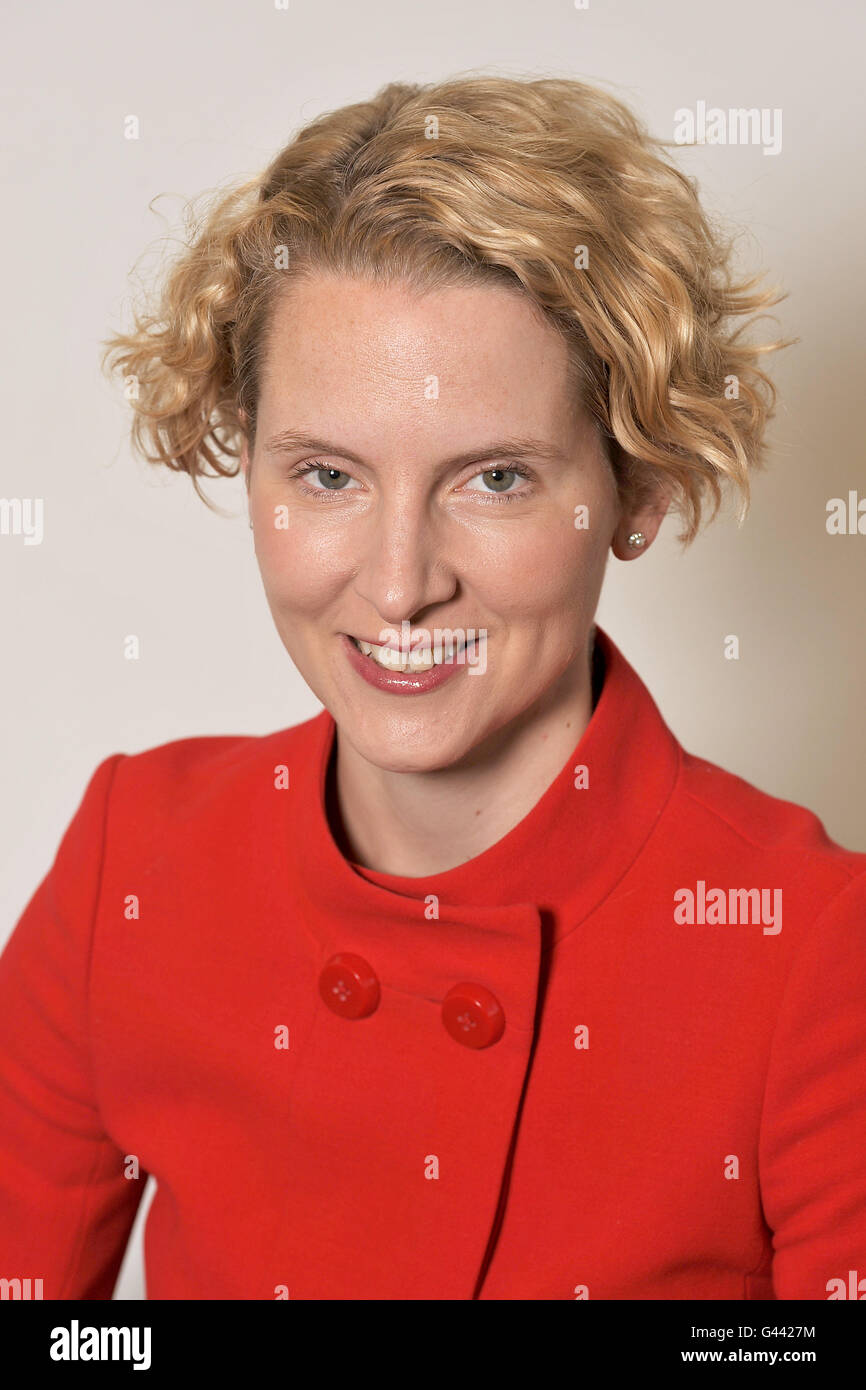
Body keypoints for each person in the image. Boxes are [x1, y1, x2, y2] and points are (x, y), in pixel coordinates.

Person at [1, 74, 864, 1302]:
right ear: (244, 459)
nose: (398, 586)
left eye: (496, 478)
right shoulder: (130, 868)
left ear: (639, 486)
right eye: (328, 474)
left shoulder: (814, 955)